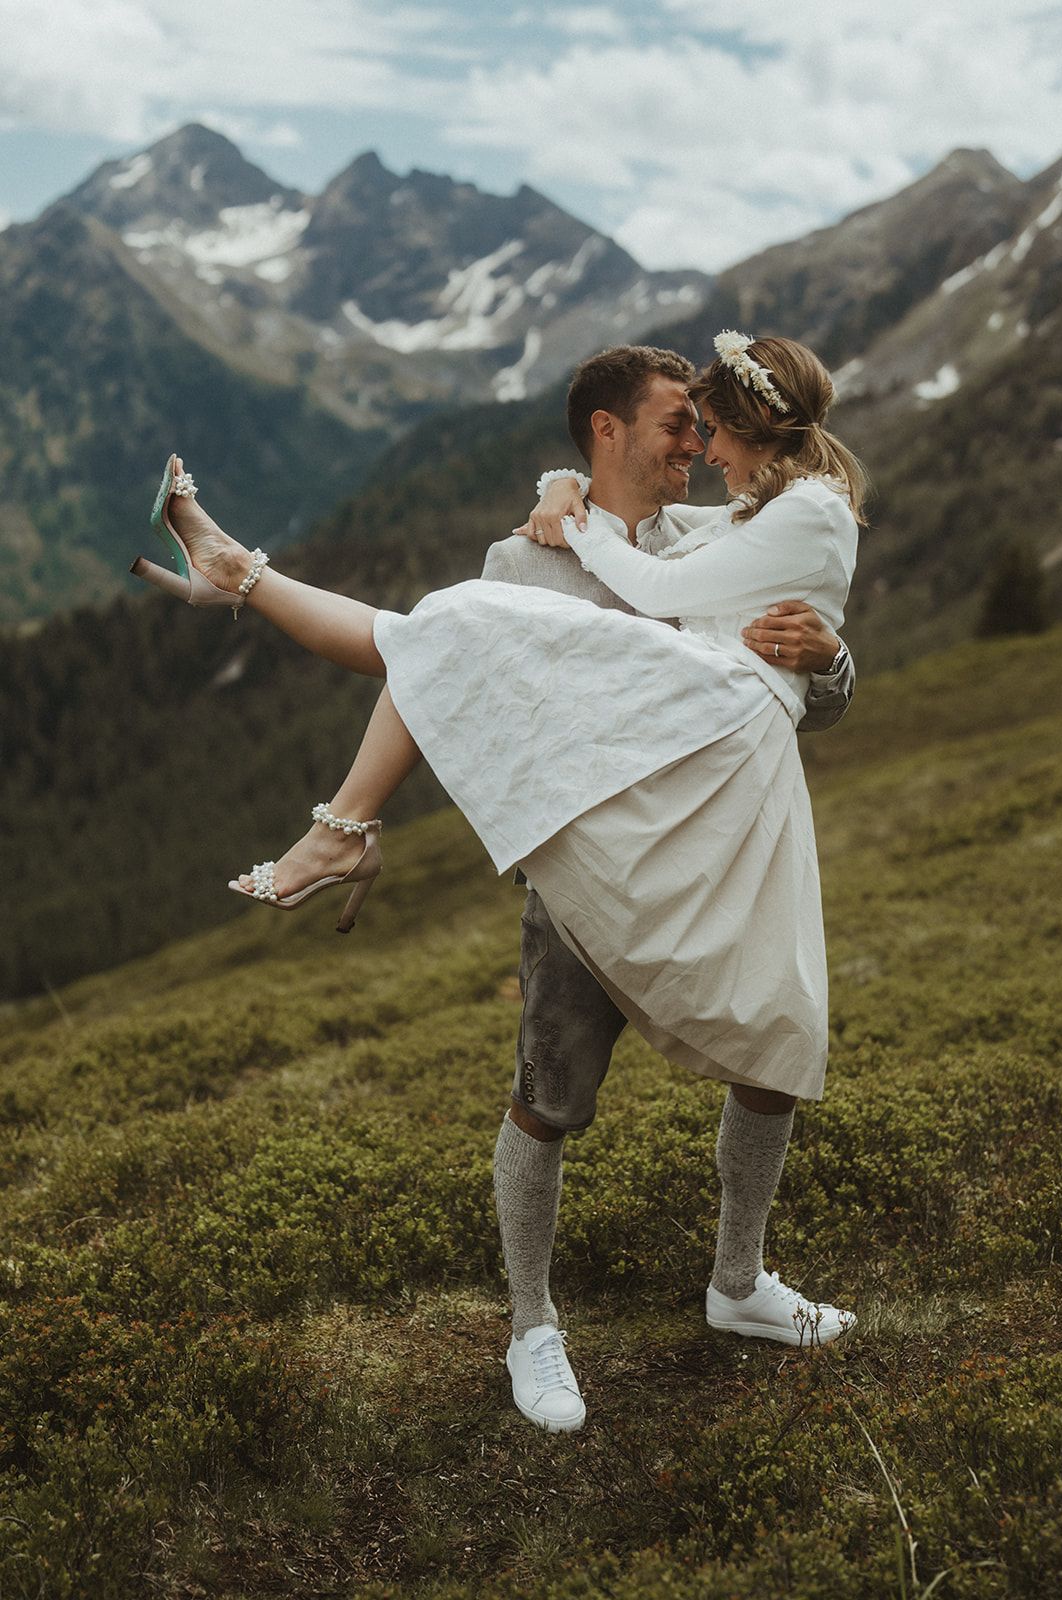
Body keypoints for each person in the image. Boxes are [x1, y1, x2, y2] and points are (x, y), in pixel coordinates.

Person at [130, 330, 866, 1432]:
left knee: (772, 1045)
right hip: (587, 873)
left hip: (709, 847)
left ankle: (738, 1283)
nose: (695, 442)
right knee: (547, 1099)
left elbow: (794, 659)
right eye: (675, 423)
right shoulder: (523, 560)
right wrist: (355, 813)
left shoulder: (709, 531)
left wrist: (832, 659)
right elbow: (439, 678)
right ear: (606, 430)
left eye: (702, 425)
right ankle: (532, 1324)